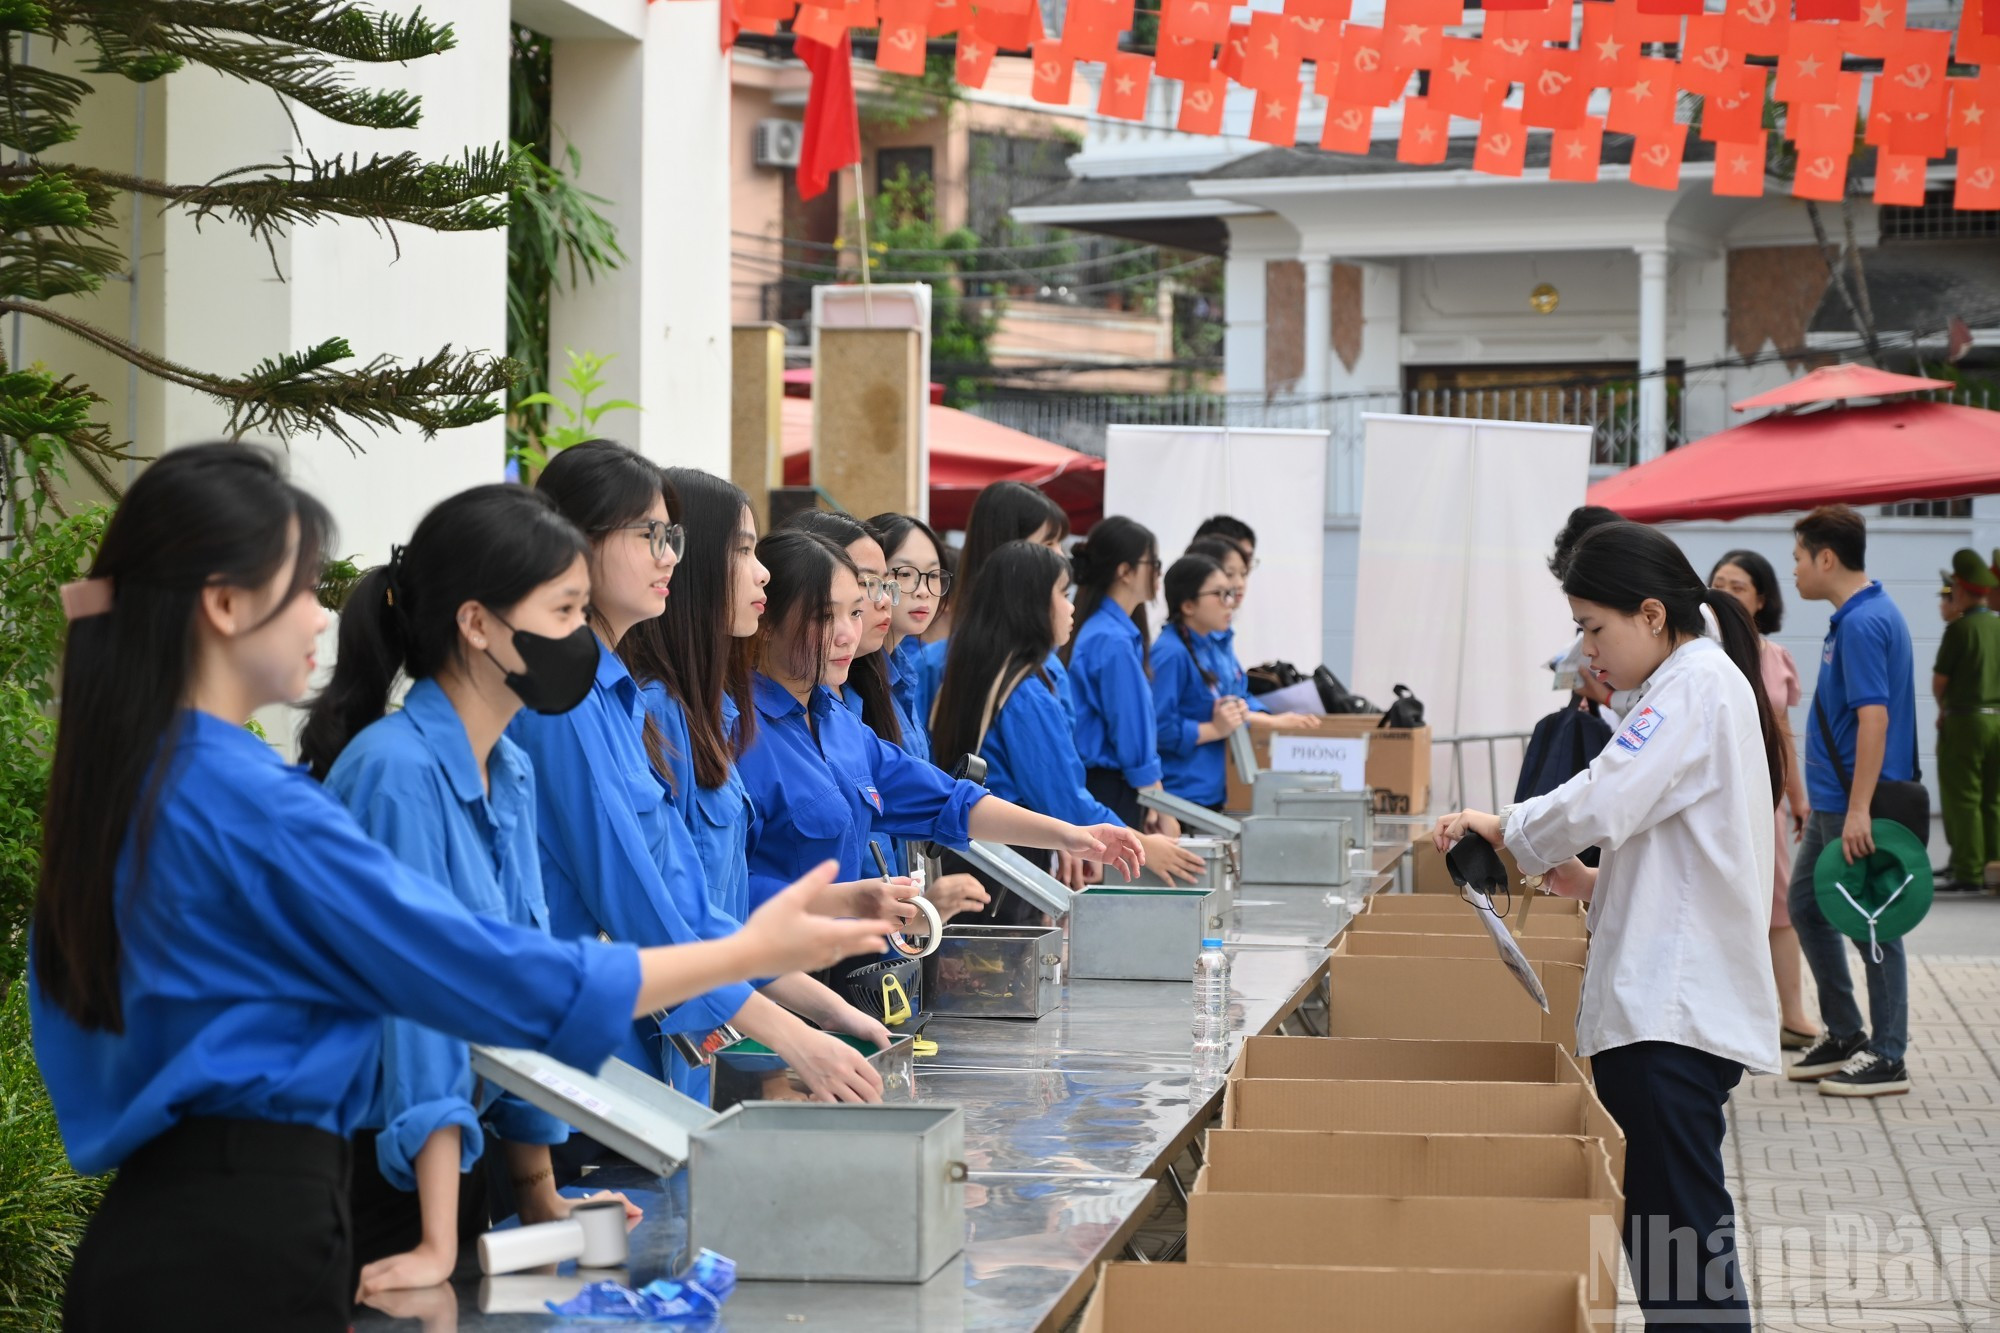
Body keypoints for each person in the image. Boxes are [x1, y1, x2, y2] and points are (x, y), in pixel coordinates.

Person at [29, 444, 891, 1332]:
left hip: (190, 1225)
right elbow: (479, 971)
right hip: (241, 1242)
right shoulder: (242, 795)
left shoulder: (146, 777)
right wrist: (753, 951)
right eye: (300, 590)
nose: (318, 620)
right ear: (223, 604)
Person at [1433, 520, 1783, 1330]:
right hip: (1670, 1010)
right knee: (1678, 1249)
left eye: (1596, 626)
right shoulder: (1692, 682)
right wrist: (1593, 877)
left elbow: (1605, 797)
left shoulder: (1692, 685)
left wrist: (1506, 827)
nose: (1590, 649)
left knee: (1683, 1258)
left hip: (1670, 1018)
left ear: (1653, 613)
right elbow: (1673, 841)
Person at [300, 486, 640, 1295]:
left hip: (454, 1169)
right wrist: (432, 1236)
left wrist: (539, 1190)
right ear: (477, 622)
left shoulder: (509, 767)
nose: (579, 637)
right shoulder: (395, 775)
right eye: (563, 611)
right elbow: (418, 1016)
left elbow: (514, 995)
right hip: (381, 1178)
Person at [514, 441, 892, 1105]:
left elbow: (696, 907)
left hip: (664, 1055)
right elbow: (641, 905)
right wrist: (792, 1032)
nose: (668, 555)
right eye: (651, 535)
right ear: (574, 543)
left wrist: (821, 1010)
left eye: (674, 537)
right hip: (593, 1072)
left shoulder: (619, 699)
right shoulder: (569, 702)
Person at [738, 529, 1145, 917]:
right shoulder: (737, 733)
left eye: (855, 612)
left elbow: (946, 799)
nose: (847, 634)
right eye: (826, 616)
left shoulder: (837, 722)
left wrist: (1072, 835)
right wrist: (848, 903)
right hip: (771, 971)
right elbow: (725, 890)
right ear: (767, 618)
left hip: (843, 959)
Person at [931, 540, 1204, 919]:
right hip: (1006, 860)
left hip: (981, 849)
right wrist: (1138, 843)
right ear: (1029, 604)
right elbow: (1063, 800)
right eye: (1062, 593)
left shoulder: (975, 667)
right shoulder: (1025, 691)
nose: (1072, 606)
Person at [1785, 504, 1918, 1097]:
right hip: (1835, 802)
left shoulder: (1864, 623)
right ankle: (1845, 1032)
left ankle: (1888, 1054)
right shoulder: (1855, 616)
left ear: (1826, 558)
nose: (1794, 570)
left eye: (1797, 558)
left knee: (1873, 923)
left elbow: (1874, 720)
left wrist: (1859, 808)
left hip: (1852, 805)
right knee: (1808, 907)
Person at [1708, 549, 1818, 1051]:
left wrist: (1799, 799)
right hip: (1707, 798)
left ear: (1760, 599)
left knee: (1778, 903)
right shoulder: (1698, 653)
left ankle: (1793, 1015)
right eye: (1718, 583)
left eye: (1737, 586)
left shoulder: (1775, 658)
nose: (1724, 593)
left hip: (1764, 798)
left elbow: (1783, 734)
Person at [1064, 516, 1175, 833]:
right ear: (1125, 572)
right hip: (1111, 786)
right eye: (1153, 562)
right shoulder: (1111, 639)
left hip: (1108, 783)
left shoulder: (1104, 630)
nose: (1159, 571)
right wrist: (1160, 803)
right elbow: (1130, 729)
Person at [1934, 548, 2000, 895]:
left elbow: (1940, 681)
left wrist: (1943, 708)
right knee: (1993, 798)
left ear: (1960, 589)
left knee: (1964, 798)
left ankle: (1968, 870)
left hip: (1965, 720)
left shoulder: (1960, 630)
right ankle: (1993, 865)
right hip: (1998, 720)